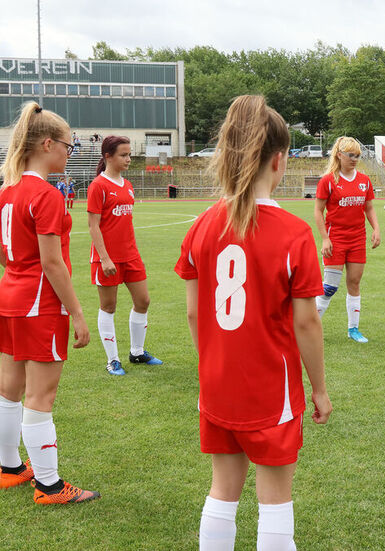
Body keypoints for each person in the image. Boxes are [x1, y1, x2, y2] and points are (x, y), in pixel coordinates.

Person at [174, 95, 332, 549]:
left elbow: (192, 312)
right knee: (275, 499)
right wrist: (318, 389)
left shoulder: (202, 226)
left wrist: (212, 367)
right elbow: (307, 324)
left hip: (218, 383)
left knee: (222, 491)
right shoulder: (294, 233)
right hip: (270, 388)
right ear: (279, 161)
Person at [0, 102, 97, 504]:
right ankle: (50, 485)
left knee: (9, 390)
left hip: (9, 296)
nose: (68, 153)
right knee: (40, 397)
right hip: (40, 304)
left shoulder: (7, 190)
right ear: (46, 144)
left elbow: (6, 255)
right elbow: (52, 263)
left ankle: (8, 467)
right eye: (67, 146)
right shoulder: (46, 195)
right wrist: (76, 312)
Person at [87, 136, 162, 376]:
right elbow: (93, 226)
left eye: (129, 154)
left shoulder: (128, 185)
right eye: (123, 155)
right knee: (108, 307)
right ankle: (112, 360)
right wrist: (105, 257)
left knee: (143, 301)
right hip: (106, 258)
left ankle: (137, 352)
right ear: (108, 156)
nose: (128, 159)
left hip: (130, 255)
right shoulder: (98, 186)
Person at [313, 137, 381, 343]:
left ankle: (353, 329)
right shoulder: (328, 181)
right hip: (336, 239)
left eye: (358, 156)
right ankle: (309, 328)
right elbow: (318, 210)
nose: (354, 159)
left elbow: (368, 207)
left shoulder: (364, 180)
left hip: (357, 239)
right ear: (339, 155)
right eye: (351, 155)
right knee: (329, 288)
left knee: (354, 282)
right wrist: (325, 239)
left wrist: (376, 228)